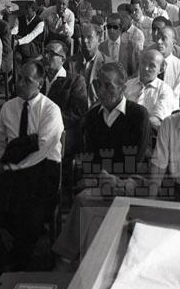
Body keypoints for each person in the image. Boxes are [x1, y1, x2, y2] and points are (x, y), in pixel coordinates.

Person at [0, 60, 63, 280]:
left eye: (27, 80)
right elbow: (0, 140)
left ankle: (18, 263)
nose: (19, 83)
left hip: (42, 170)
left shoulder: (50, 110)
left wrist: (8, 167)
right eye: (19, 77)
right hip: (12, 169)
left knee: (28, 216)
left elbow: (41, 150)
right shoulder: (8, 107)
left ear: (40, 83)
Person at [52, 62, 151, 264]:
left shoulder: (138, 115)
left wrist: (112, 180)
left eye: (108, 85)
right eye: (98, 84)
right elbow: (90, 157)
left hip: (130, 180)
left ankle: (68, 257)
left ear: (122, 88)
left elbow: (137, 159)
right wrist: (100, 178)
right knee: (85, 199)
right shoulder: (93, 117)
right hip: (101, 180)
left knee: (84, 200)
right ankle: (76, 259)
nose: (101, 90)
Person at [42, 41, 87, 156]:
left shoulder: (75, 81)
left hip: (60, 133)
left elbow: (76, 113)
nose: (46, 56)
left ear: (62, 59)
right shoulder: (38, 78)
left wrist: (47, 122)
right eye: (45, 52)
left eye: (51, 54)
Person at [123, 49, 176, 129]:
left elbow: (157, 120)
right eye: (143, 63)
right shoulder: (127, 85)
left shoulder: (165, 91)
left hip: (149, 133)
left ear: (161, 69)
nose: (146, 68)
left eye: (152, 66)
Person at [69, 22, 104, 106]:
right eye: (82, 37)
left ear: (99, 40)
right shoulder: (70, 62)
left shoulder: (107, 64)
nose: (84, 41)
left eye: (89, 37)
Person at [154, 26, 180, 99]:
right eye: (157, 38)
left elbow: (177, 96)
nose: (159, 42)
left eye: (163, 38)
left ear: (173, 43)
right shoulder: (147, 62)